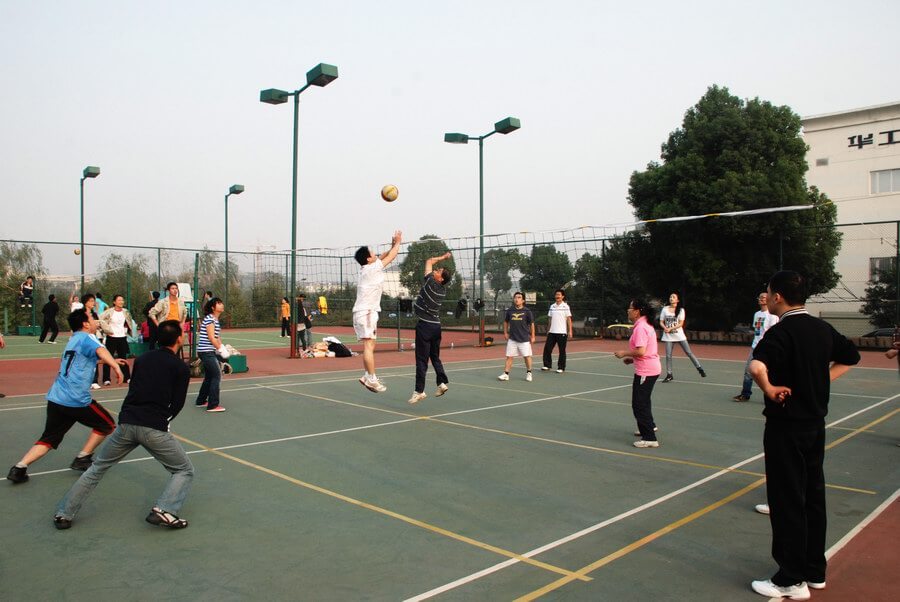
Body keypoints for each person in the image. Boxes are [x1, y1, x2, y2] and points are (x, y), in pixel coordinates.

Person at [747, 270, 859, 600]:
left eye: (769, 291)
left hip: (786, 427)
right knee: (812, 496)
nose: (767, 297)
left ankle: (790, 579)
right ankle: (813, 569)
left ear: (778, 296)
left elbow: (756, 366)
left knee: (787, 500)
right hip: (815, 426)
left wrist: (769, 388)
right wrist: (821, 381)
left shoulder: (782, 332)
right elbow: (851, 357)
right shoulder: (822, 329)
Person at [53, 320, 193, 530]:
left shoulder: (142, 359)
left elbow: (134, 389)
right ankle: (165, 509)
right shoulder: (180, 367)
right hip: (153, 427)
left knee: (97, 467)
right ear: (179, 339)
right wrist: (164, 420)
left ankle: (64, 514)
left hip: (126, 424)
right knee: (184, 470)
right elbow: (178, 403)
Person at [6, 309, 123, 484]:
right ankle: (83, 457)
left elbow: (83, 359)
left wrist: (109, 361)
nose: (95, 321)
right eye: (92, 319)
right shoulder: (88, 337)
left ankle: (19, 468)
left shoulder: (73, 340)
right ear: (85, 324)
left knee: (48, 439)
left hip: (56, 398)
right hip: (76, 400)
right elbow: (100, 350)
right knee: (107, 425)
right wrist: (115, 366)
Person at [352, 231, 402, 393]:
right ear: (368, 259)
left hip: (365, 312)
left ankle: (367, 375)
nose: (375, 254)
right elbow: (392, 256)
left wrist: (392, 245)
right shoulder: (372, 269)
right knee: (368, 345)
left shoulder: (368, 267)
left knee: (371, 344)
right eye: (372, 253)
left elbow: (383, 256)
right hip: (366, 312)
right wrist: (398, 243)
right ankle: (372, 379)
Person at [614, 298, 661, 448]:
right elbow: (647, 351)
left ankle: (650, 438)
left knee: (639, 404)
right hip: (650, 368)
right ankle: (649, 426)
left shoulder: (641, 327)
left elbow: (641, 351)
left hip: (646, 371)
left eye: (630, 308)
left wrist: (624, 353)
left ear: (637, 311)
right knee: (644, 401)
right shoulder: (645, 324)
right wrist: (632, 359)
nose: (628, 310)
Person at [407, 252, 452, 404]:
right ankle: (441, 383)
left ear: (441, 278)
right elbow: (431, 264)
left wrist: (443, 257)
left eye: (439, 271)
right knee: (435, 357)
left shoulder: (430, 283)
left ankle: (419, 391)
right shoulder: (442, 290)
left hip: (425, 326)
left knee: (421, 360)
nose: (436, 270)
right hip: (436, 327)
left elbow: (429, 261)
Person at [733, 292, 779, 402]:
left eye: (763, 297)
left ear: (769, 299)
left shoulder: (772, 315)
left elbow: (774, 332)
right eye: (760, 297)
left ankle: (773, 394)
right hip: (755, 347)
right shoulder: (757, 314)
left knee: (770, 373)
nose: (761, 299)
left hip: (767, 348)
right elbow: (757, 331)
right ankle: (745, 394)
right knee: (748, 371)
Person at [659, 292, 706, 382]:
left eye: (673, 297)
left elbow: (681, 324)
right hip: (668, 336)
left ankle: (699, 368)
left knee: (689, 352)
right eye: (670, 297)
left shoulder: (681, 310)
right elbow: (661, 322)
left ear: (677, 300)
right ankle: (669, 374)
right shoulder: (665, 309)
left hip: (679, 335)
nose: (671, 298)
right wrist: (665, 328)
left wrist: (671, 328)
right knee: (668, 355)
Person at [195, 297, 228, 412]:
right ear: (213, 307)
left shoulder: (215, 319)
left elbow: (217, 337)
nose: (221, 305)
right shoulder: (210, 319)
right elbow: (211, 337)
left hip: (208, 351)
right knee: (216, 376)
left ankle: (201, 400)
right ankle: (213, 405)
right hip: (206, 352)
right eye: (218, 303)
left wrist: (222, 348)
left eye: (221, 303)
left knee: (209, 376)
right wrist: (221, 349)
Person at [498, 292, 536, 382]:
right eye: (515, 297)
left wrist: (533, 336)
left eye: (519, 297)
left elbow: (532, 324)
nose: (516, 299)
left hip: (524, 339)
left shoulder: (527, 311)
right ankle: (506, 374)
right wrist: (505, 333)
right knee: (509, 357)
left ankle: (529, 373)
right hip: (512, 339)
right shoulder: (510, 310)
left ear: (523, 300)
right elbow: (506, 322)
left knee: (527, 356)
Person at [99, 294, 133, 386]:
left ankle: (127, 377)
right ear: (114, 302)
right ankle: (106, 379)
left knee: (123, 358)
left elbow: (129, 322)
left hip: (122, 337)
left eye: (122, 300)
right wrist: (106, 330)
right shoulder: (109, 312)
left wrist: (128, 331)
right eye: (119, 300)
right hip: (111, 337)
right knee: (108, 358)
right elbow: (100, 320)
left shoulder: (126, 312)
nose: (121, 302)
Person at [541, 288, 573, 373]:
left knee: (562, 351)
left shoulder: (566, 306)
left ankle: (561, 367)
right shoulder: (552, 306)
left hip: (562, 332)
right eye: (556, 295)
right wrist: (548, 329)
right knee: (547, 349)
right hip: (552, 332)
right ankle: (547, 365)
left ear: (562, 296)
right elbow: (550, 319)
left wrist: (570, 331)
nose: (557, 296)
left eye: (559, 295)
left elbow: (569, 319)